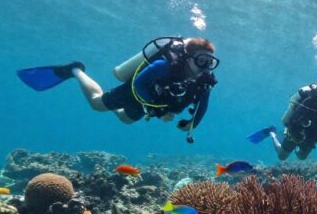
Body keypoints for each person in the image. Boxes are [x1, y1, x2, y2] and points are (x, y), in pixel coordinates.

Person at [16, 37, 218, 143]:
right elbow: (138, 83)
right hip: (134, 92)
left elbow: (204, 101)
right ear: (189, 57)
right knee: (97, 103)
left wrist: (194, 123)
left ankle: (126, 109)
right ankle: (75, 70)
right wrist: (158, 109)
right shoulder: (165, 66)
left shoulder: (205, 78)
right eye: (202, 60)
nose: (205, 66)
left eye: (210, 62)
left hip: (154, 105)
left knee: (126, 119)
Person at [248, 79, 317, 160]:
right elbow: (292, 120)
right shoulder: (308, 103)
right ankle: (272, 132)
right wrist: (297, 135)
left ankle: (297, 147)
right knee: (281, 156)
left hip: (312, 138)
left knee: (302, 157)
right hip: (297, 134)